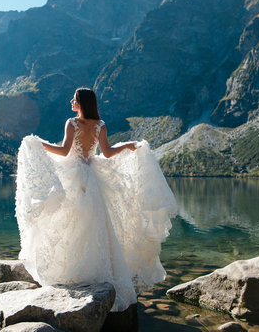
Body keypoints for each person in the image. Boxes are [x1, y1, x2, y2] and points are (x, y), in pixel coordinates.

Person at [15, 87, 177, 312]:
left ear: (81, 102)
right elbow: (108, 153)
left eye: (74, 98)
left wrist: (38, 144)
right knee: (95, 224)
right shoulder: (100, 125)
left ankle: (74, 269)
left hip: (74, 175)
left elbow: (63, 152)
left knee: (72, 222)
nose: (71, 101)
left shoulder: (72, 123)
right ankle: (99, 272)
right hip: (92, 176)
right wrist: (127, 146)